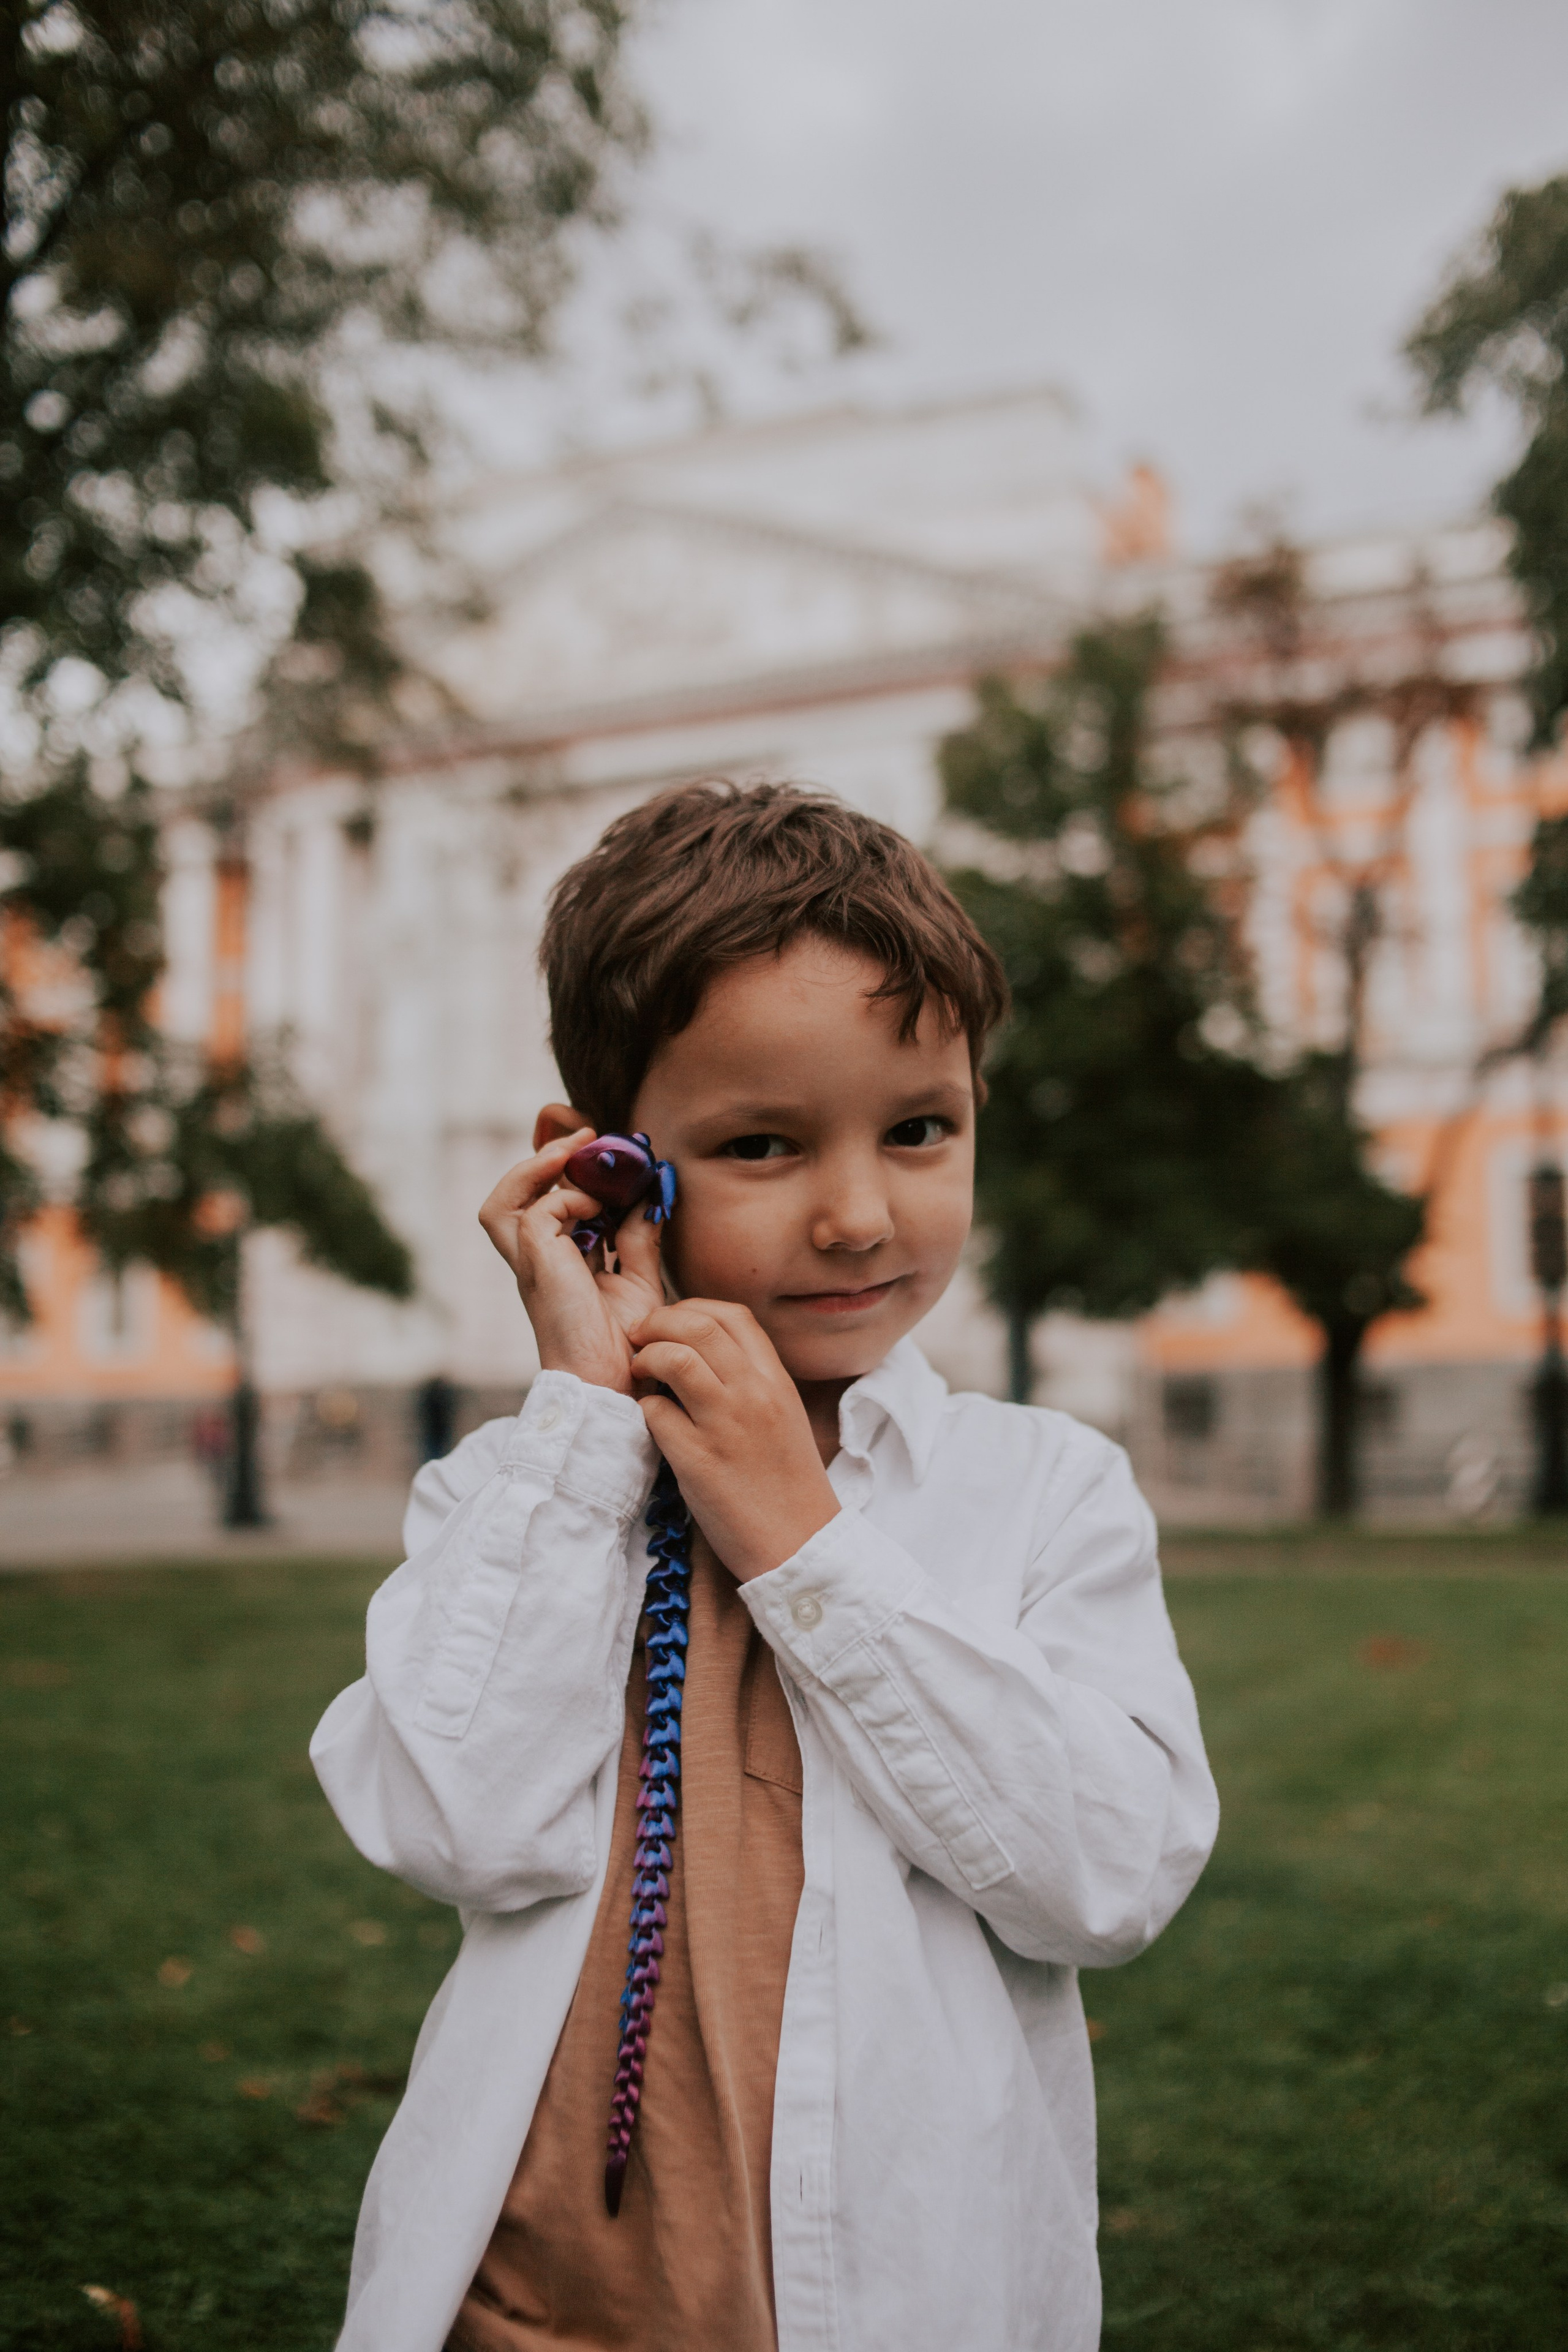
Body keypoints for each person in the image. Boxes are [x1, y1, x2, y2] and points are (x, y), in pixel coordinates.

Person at [311, 780, 1218, 2352]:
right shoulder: (519, 1493)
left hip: (888, 2300)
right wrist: (591, 1427)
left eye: (920, 1129)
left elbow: (1110, 1878)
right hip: (523, 2302)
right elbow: (453, 1822)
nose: (861, 1216)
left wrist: (804, 1544)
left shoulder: (1039, 1490)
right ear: (605, 1169)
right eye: (761, 1145)